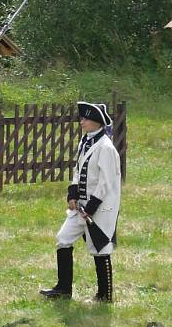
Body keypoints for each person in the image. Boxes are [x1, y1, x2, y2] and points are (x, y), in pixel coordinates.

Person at [40, 102, 120, 302]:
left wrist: (91, 207)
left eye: (85, 118)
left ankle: (104, 295)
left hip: (100, 208)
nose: (81, 121)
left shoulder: (106, 147)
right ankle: (64, 289)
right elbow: (78, 171)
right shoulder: (86, 141)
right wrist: (72, 195)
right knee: (63, 239)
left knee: (100, 249)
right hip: (81, 207)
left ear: (96, 122)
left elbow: (106, 182)